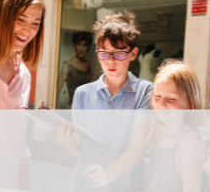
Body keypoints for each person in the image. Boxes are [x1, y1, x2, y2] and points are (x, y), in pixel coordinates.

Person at [56, 12, 154, 192]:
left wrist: (108, 174)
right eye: (104, 54)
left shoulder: (145, 91)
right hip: (85, 184)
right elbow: (83, 150)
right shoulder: (82, 94)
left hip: (125, 185)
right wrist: (68, 141)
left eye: (118, 54)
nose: (110, 61)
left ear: (133, 53)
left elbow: (138, 146)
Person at [82, 59, 207, 192]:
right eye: (157, 97)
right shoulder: (161, 134)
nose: (162, 104)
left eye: (172, 98)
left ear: (189, 101)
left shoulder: (190, 142)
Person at [57, 31, 98, 108]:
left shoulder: (89, 65)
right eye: (78, 44)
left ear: (88, 47)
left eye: (84, 45)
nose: (81, 48)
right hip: (72, 106)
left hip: (88, 107)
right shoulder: (67, 65)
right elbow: (57, 91)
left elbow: (94, 89)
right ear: (74, 45)